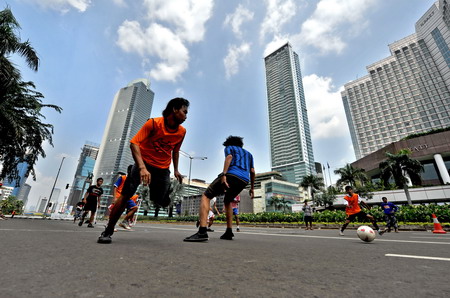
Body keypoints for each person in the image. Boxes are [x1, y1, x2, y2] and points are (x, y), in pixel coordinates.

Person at [98, 97, 189, 243]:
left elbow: (176, 151)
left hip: (162, 169)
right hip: (144, 164)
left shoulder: (182, 132)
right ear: (174, 109)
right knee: (126, 194)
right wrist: (141, 167)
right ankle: (108, 231)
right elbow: (134, 143)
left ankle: (163, 193)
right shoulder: (153, 123)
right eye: (184, 112)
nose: (186, 116)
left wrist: (176, 170)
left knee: (160, 200)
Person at [184, 136, 255, 242]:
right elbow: (252, 171)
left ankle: (202, 231)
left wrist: (223, 175)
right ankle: (229, 231)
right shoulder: (249, 154)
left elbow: (229, 157)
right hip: (244, 180)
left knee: (206, 195)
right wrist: (252, 188)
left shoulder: (229, 148)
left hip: (232, 175)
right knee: (228, 200)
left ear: (228, 143)